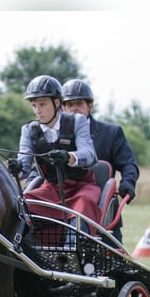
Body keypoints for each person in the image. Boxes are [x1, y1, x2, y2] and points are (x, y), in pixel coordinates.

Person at [14, 75, 100, 228]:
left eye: (42, 104)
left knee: (84, 203)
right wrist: (15, 168)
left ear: (57, 102)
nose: (38, 111)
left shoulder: (77, 121)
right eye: (34, 105)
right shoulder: (28, 130)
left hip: (81, 188)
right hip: (50, 189)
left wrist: (69, 157)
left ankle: (73, 245)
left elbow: (89, 154)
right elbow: (24, 165)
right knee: (24, 202)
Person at [60, 78, 139, 205]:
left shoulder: (111, 133)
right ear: (63, 108)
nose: (74, 108)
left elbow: (128, 164)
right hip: (62, 199)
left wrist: (127, 183)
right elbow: (40, 167)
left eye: (79, 103)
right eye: (69, 104)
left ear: (90, 105)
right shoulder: (53, 134)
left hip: (99, 202)